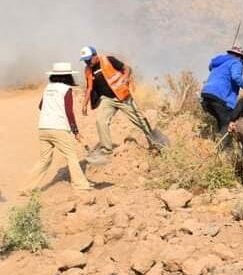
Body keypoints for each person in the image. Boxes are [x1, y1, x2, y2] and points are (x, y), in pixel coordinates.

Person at [22, 62, 93, 194]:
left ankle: (27, 188)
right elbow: (69, 112)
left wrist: (51, 108)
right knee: (71, 156)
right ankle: (81, 185)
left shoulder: (48, 88)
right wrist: (75, 131)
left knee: (44, 160)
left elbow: (40, 106)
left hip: (43, 128)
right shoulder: (66, 89)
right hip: (59, 128)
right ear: (68, 76)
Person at [79, 46, 158, 159]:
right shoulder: (88, 70)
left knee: (139, 120)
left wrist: (125, 78)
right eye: (85, 60)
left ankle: (155, 144)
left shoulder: (108, 60)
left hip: (122, 96)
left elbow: (127, 68)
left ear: (95, 56)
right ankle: (106, 150)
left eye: (88, 59)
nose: (87, 62)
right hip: (107, 99)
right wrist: (84, 104)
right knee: (100, 121)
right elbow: (89, 88)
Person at [201, 45, 243, 134]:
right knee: (227, 123)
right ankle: (220, 147)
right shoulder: (236, 62)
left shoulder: (218, 62)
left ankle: (213, 141)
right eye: (242, 59)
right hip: (220, 96)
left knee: (221, 120)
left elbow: (210, 67)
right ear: (239, 56)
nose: (242, 61)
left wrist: (226, 58)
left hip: (206, 93)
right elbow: (236, 77)